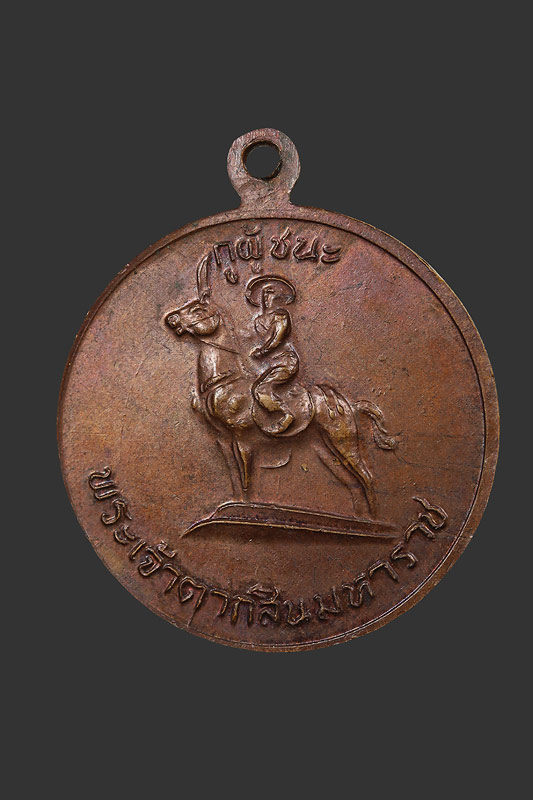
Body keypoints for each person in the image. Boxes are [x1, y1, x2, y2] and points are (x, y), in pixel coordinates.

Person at [245, 276, 299, 435]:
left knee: (261, 389)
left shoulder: (281, 316)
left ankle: (285, 415)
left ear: (279, 297)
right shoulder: (258, 320)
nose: (266, 297)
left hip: (284, 362)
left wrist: (262, 351)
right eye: (264, 293)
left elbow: (277, 339)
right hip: (265, 365)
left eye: (271, 292)